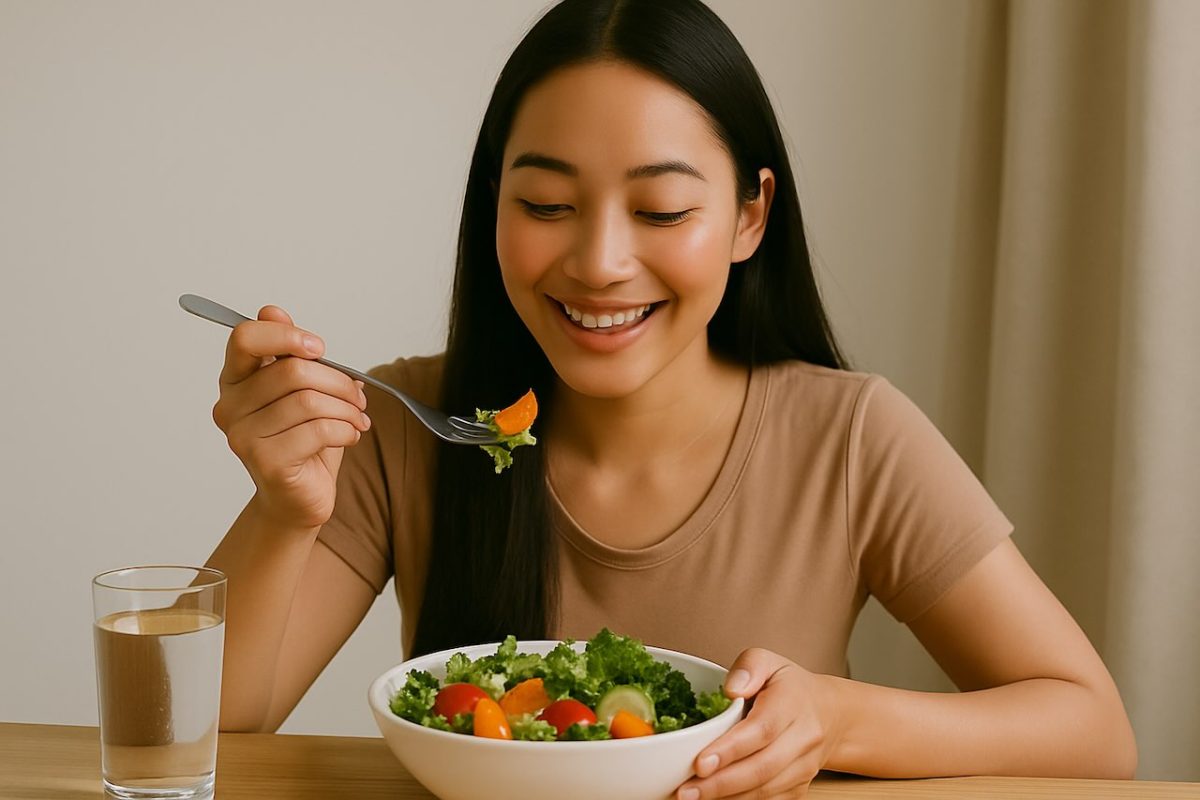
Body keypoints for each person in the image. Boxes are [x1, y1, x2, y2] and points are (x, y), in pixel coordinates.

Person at [203, 0, 1136, 796]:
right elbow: (201, 741)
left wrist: (839, 721)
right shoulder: (405, 424)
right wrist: (285, 512)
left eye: (660, 211)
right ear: (494, 204)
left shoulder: (849, 437)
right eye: (545, 206)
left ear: (748, 215)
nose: (601, 262)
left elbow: (1093, 734)